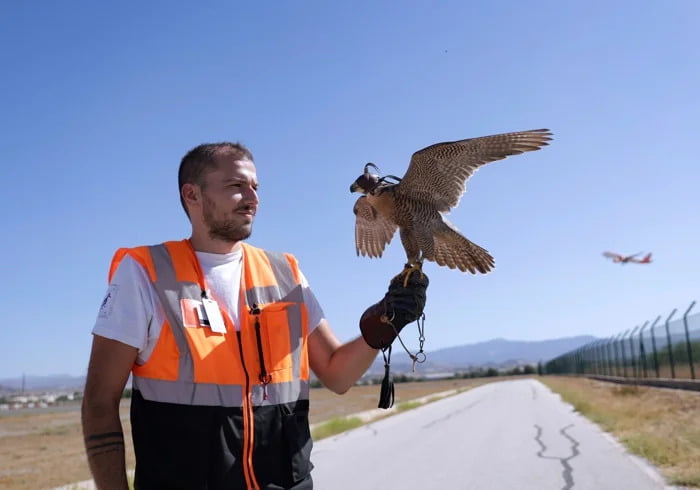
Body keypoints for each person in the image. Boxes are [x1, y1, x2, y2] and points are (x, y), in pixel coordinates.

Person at [81, 142, 428, 490]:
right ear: (192, 195)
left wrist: (386, 323)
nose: (252, 197)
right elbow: (99, 403)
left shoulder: (285, 273)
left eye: (255, 187)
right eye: (236, 186)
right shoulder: (145, 273)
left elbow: (337, 375)